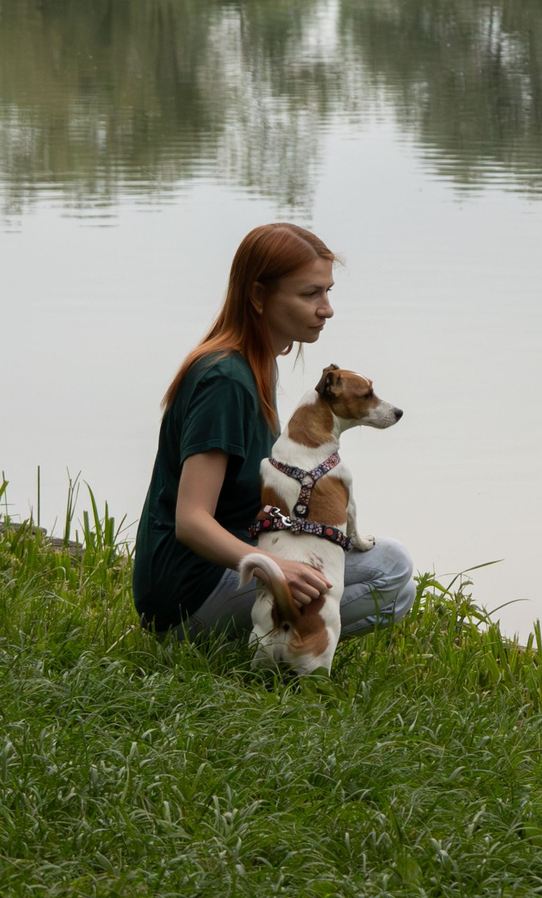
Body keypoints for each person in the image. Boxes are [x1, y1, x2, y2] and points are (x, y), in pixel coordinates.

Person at [132, 222, 417, 640]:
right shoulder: (225, 380)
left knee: (398, 578)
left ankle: (282, 637)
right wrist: (278, 568)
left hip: (222, 574)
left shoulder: (257, 362)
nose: (327, 308)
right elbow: (191, 521)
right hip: (187, 597)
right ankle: (275, 644)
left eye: (327, 292)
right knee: (391, 568)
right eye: (310, 294)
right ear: (259, 296)